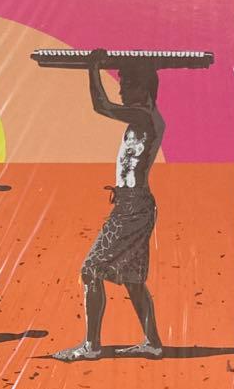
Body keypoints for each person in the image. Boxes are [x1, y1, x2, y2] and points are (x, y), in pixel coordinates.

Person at [54, 49, 165, 362]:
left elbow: (101, 105)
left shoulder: (144, 116)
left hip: (133, 207)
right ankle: (153, 343)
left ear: (144, 87)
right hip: (133, 204)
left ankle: (91, 346)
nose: (122, 89)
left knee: (91, 270)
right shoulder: (144, 117)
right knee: (132, 279)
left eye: (128, 83)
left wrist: (93, 68)